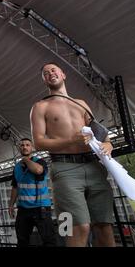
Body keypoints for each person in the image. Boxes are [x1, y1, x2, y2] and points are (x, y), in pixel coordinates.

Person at [30, 62, 115, 247]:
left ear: (63, 74)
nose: (50, 73)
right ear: (44, 80)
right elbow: (38, 143)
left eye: (53, 70)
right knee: (79, 227)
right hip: (65, 169)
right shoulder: (40, 107)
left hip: (94, 166)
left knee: (104, 226)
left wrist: (108, 143)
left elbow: (98, 132)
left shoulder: (81, 103)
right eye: (45, 73)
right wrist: (71, 141)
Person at [8, 138, 56, 247]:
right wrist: (11, 205)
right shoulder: (16, 167)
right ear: (19, 148)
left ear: (32, 147)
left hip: (41, 208)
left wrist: (25, 160)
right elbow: (15, 187)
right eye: (22, 145)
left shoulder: (40, 162)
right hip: (23, 209)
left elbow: (38, 171)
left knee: (48, 240)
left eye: (27, 145)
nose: (24, 147)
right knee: (22, 240)